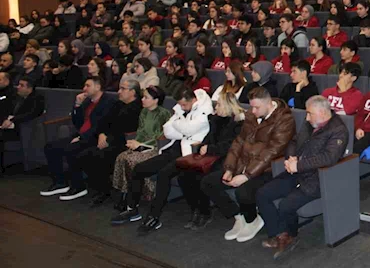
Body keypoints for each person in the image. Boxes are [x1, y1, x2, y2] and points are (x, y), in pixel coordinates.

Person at [256, 95, 349, 259]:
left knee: (286, 205)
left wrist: (298, 165)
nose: (306, 117)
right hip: (296, 171)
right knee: (263, 194)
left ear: (321, 112)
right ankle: (278, 233)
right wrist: (291, 158)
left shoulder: (338, 130)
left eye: (309, 113)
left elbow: (329, 158)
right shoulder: (310, 123)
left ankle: (290, 236)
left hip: (318, 177)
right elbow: (294, 141)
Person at [112, 88, 213, 234]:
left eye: (184, 105)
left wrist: (179, 122)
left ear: (193, 100)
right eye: (180, 105)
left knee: (163, 175)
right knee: (139, 169)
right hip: (173, 150)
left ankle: (154, 216)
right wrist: (182, 125)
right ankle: (132, 209)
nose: (181, 108)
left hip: (189, 155)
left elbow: (189, 129)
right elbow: (167, 130)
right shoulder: (182, 108)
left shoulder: (205, 111)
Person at [203, 86, 294, 243]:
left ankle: (252, 220)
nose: (252, 111)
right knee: (208, 182)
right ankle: (239, 216)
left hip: (268, 168)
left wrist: (246, 175)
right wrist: (229, 168)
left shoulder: (284, 120)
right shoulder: (251, 116)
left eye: (257, 107)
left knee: (243, 192)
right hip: (244, 164)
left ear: (269, 103)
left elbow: (271, 153)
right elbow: (238, 142)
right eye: (251, 106)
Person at [178, 92, 246, 231]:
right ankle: (196, 210)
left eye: (219, 104)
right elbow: (208, 139)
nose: (216, 107)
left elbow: (232, 146)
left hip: (227, 160)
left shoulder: (238, 123)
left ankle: (205, 212)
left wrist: (210, 148)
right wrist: (203, 146)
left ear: (227, 106)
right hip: (211, 157)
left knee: (202, 178)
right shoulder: (216, 120)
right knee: (183, 177)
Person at [39, 77, 115, 199]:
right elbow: (77, 123)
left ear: (98, 87)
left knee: (71, 149)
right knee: (50, 147)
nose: (84, 88)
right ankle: (60, 183)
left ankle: (78, 187)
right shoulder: (87, 102)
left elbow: (101, 125)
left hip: (95, 136)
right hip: (81, 134)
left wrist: (82, 137)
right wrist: (77, 105)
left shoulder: (108, 102)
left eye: (87, 85)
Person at [78, 80, 144, 206]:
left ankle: (104, 191)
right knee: (84, 155)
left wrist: (107, 138)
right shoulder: (117, 104)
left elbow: (125, 129)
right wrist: (102, 134)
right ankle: (103, 187)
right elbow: (103, 121)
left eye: (123, 89)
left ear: (132, 92)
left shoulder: (137, 108)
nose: (119, 92)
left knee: (98, 156)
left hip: (124, 143)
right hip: (109, 139)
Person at [109, 86, 172, 212]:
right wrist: (136, 142)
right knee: (122, 157)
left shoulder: (164, 113)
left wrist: (142, 144)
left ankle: (143, 194)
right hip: (142, 144)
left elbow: (160, 135)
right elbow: (141, 131)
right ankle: (124, 193)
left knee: (132, 160)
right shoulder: (144, 112)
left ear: (156, 100)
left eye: (146, 97)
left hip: (155, 147)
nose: (142, 99)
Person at [0, 76, 45, 171]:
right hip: (8, 124)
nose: (18, 87)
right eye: (18, 84)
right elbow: (6, 110)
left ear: (29, 88)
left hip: (22, 128)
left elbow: (33, 113)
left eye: (22, 85)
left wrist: (13, 120)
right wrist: (5, 119)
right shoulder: (16, 97)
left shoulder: (37, 98)